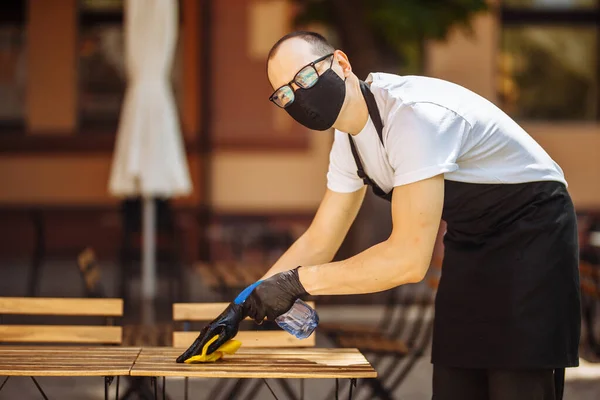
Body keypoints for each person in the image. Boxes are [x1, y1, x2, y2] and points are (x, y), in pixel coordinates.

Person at [178, 31, 581, 400]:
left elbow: (407, 260)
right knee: (457, 383)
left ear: (341, 63)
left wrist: (296, 283)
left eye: (304, 78)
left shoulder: (413, 117)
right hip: (472, 240)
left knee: (517, 384)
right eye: (283, 94)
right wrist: (243, 306)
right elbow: (321, 240)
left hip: (535, 234)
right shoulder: (348, 140)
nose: (297, 96)